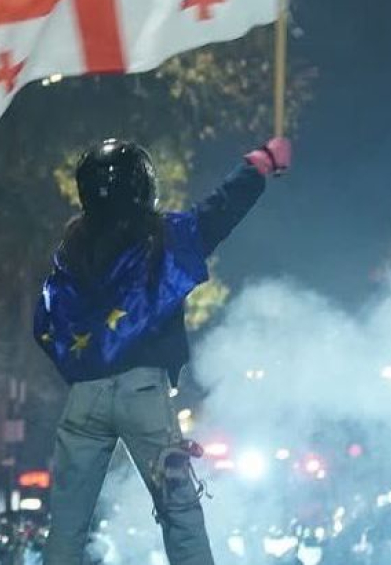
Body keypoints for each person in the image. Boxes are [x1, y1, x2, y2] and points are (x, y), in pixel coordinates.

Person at [35, 136, 291, 565]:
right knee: (180, 512)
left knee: (66, 526)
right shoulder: (162, 237)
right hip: (143, 394)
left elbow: (46, 324)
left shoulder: (70, 252)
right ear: (142, 184)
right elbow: (217, 214)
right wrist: (260, 163)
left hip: (83, 398)